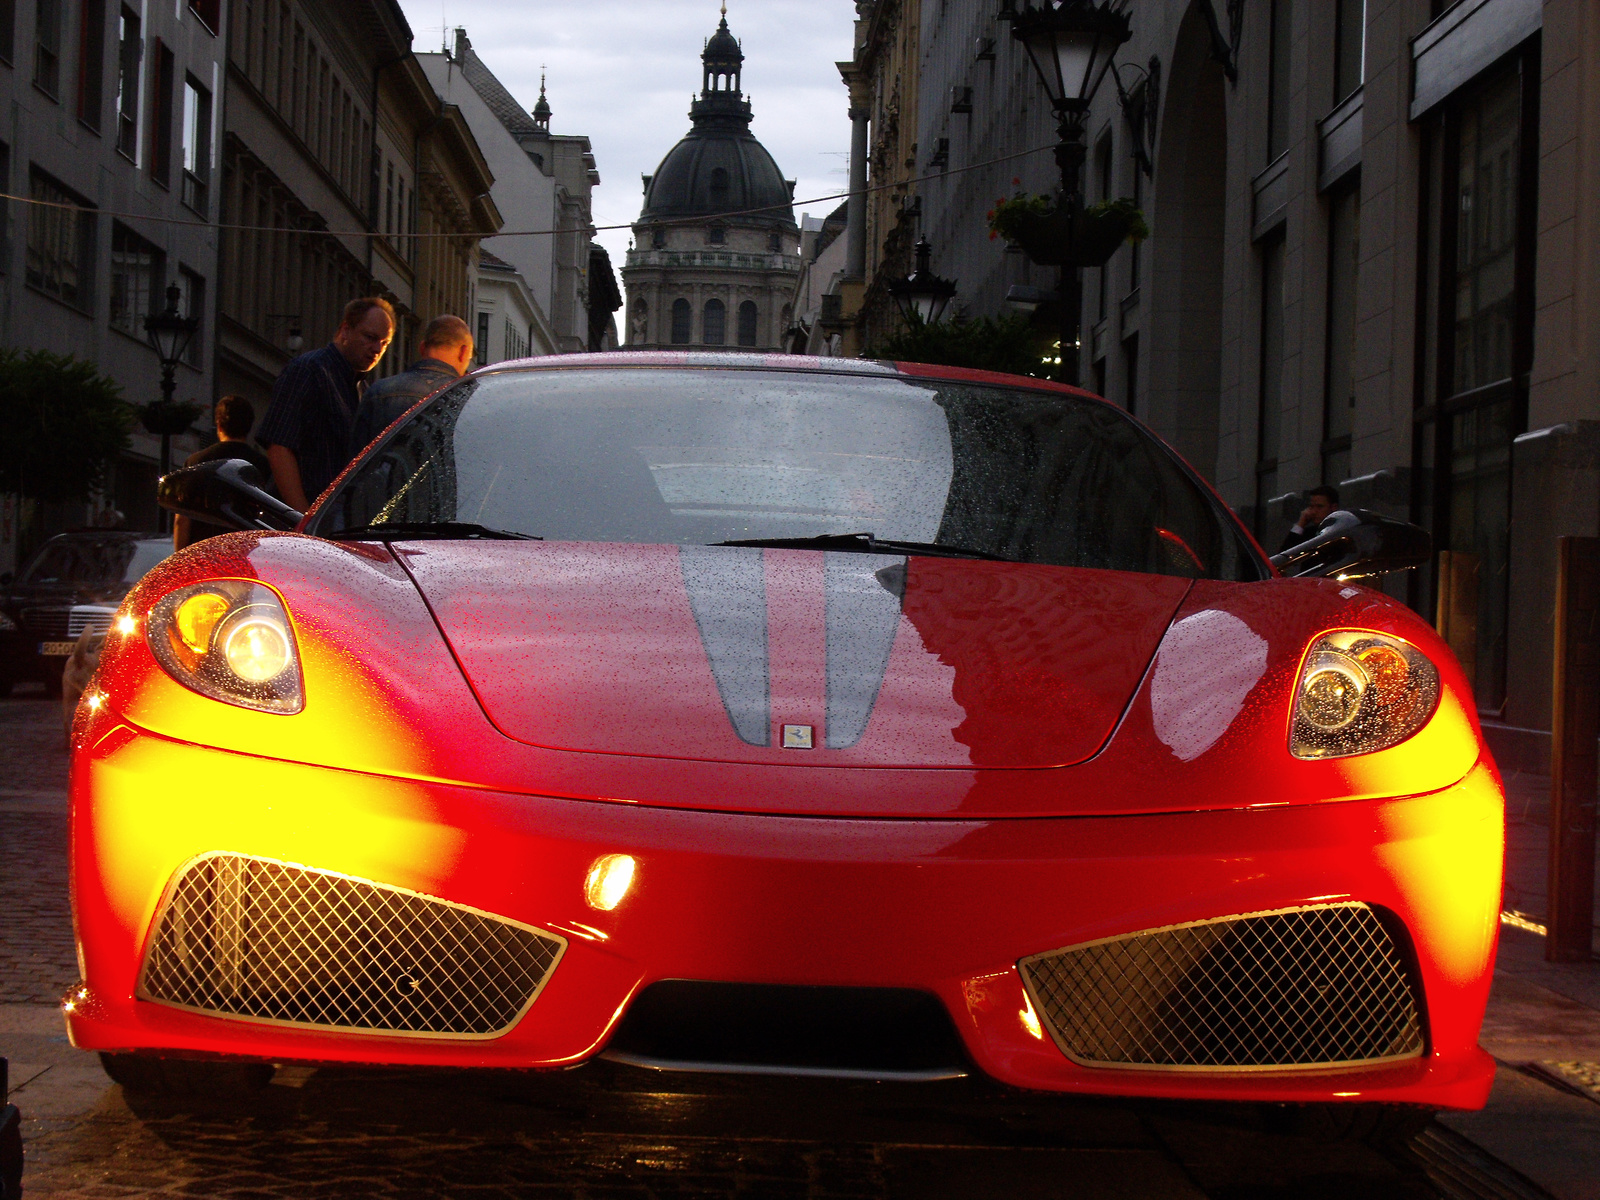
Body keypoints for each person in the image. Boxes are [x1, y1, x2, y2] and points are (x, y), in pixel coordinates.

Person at [257, 297, 396, 512]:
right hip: (298, 525)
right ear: (345, 330)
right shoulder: (309, 370)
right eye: (370, 337)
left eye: (385, 343)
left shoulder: (363, 391)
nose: (377, 348)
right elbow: (279, 446)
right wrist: (302, 518)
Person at [350, 315, 475, 450]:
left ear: (422, 348)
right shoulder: (470, 401)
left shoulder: (377, 392)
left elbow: (355, 462)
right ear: (464, 352)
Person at [173, 395, 272, 550]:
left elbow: (182, 520)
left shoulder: (196, 463)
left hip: (203, 555)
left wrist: (179, 560)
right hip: (246, 555)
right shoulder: (263, 465)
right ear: (249, 427)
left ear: (219, 425)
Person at [1278, 485, 1341, 553]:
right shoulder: (1308, 534)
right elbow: (1284, 556)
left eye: (1319, 507)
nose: (1313, 512)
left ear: (1334, 507)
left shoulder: (1342, 529)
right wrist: (1301, 524)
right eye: (1311, 507)